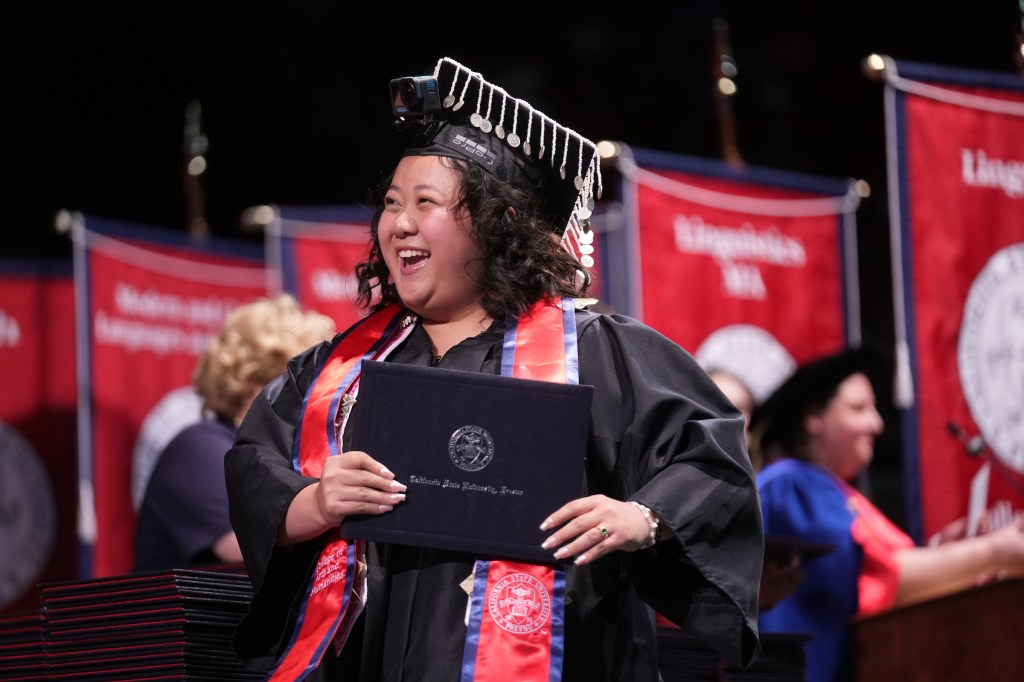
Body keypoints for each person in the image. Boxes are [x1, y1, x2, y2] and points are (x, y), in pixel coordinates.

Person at [225, 57, 763, 681]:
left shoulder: (593, 349)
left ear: (497, 222)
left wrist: (639, 517)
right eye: (393, 203)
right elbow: (252, 465)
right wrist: (315, 504)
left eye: (427, 202)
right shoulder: (336, 369)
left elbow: (711, 456)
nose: (399, 223)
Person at [752, 346, 1024, 681]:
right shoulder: (791, 485)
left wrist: (942, 553)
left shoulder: (836, 492)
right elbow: (871, 578)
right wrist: (992, 552)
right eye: (858, 408)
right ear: (814, 418)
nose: (877, 424)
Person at [133, 294, 335, 573]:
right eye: (295, 387)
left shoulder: (278, 456)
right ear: (247, 385)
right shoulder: (200, 449)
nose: (310, 400)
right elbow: (249, 546)